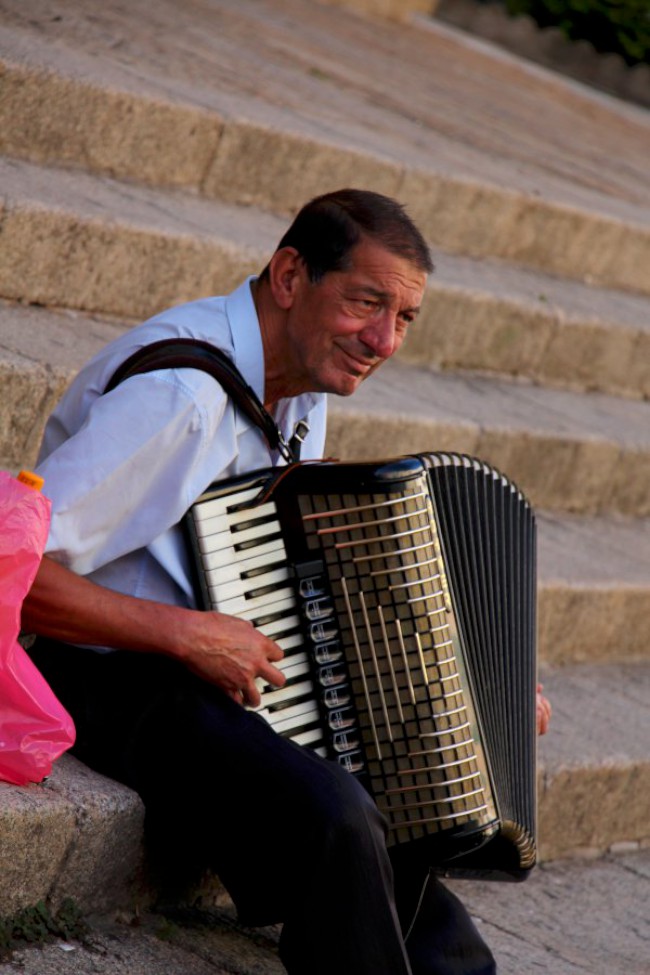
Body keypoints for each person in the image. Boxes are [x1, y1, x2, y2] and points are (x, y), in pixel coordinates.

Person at [23, 188, 549, 975]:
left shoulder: (299, 384)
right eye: (366, 302)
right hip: (96, 669)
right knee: (334, 815)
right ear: (290, 275)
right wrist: (185, 635)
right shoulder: (183, 400)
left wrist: (481, 687)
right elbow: (17, 575)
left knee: (425, 890)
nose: (382, 339)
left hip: (200, 668)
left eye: (403, 318)